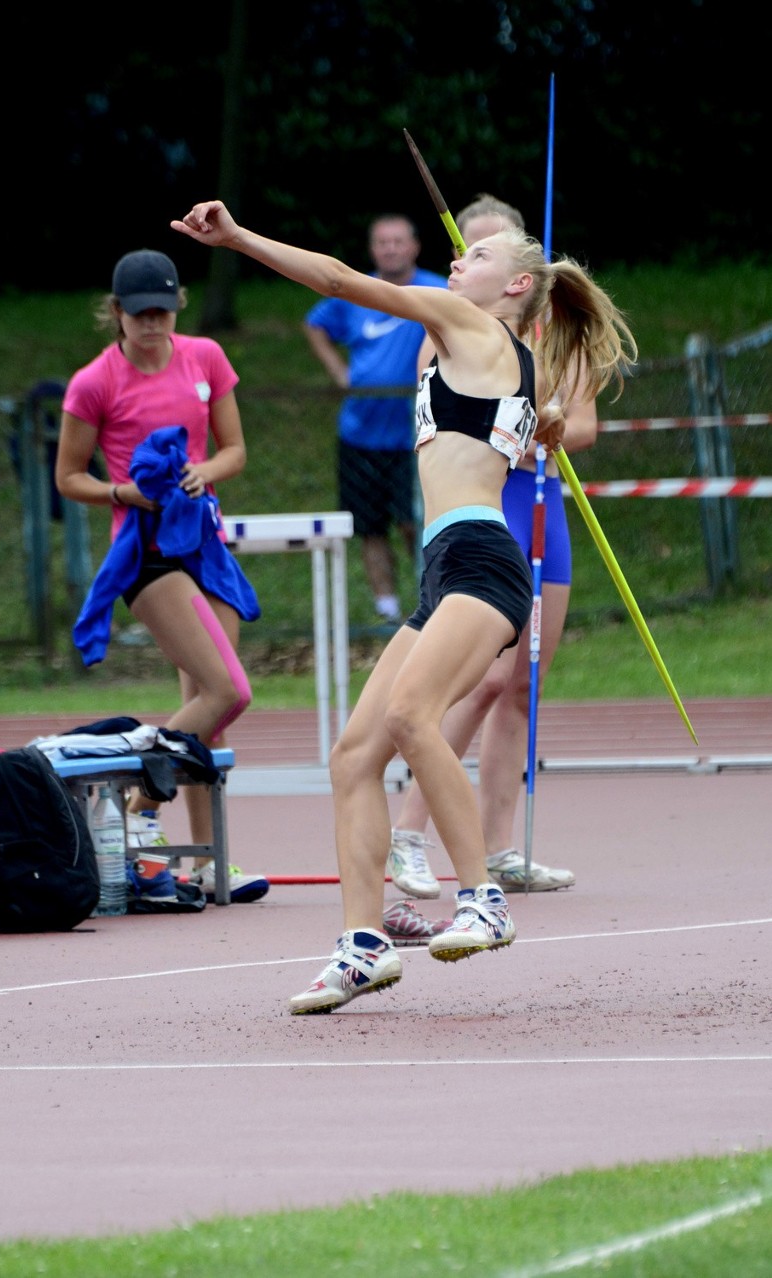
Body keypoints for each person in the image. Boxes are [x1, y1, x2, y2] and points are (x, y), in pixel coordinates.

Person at [171, 197, 636, 1014]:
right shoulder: (484, 350)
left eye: (478, 255)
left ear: (515, 284)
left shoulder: (471, 324)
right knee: (354, 756)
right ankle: (362, 946)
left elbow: (342, 280)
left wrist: (239, 237)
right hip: (446, 567)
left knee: (414, 717)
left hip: (482, 563)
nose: (459, 259)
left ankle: (482, 897)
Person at [388, 193, 599, 901]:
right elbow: (437, 399)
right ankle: (409, 834)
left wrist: (556, 415)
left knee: (521, 688)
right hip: (489, 502)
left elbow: (580, 423)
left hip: (545, 507)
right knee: (477, 681)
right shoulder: (453, 326)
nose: (460, 259)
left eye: (482, 248)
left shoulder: (550, 331)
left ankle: (501, 845)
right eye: (466, 245)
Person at [55, 248, 270, 905]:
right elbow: (70, 476)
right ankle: (133, 797)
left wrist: (205, 472)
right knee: (229, 690)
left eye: (164, 312)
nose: (154, 325)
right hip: (146, 551)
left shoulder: (205, 357)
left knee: (211, 709)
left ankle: (208, 862)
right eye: (141, 314)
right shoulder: (94, 381)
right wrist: (124, 494)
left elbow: (234, 449)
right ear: (117, 313)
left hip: (202, 541)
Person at [303, 214, 446, 624]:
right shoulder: (355, 291)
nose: (390, 249)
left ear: (415, 246)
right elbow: (315, 324)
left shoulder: (436, 290)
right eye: (382, 242)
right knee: (370, 527)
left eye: (398, 241)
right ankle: (386, 608)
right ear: (372, 249)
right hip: (360, 431)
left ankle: (429, 597)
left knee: (412, 520)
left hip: (413, 435)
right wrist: (338, 372)